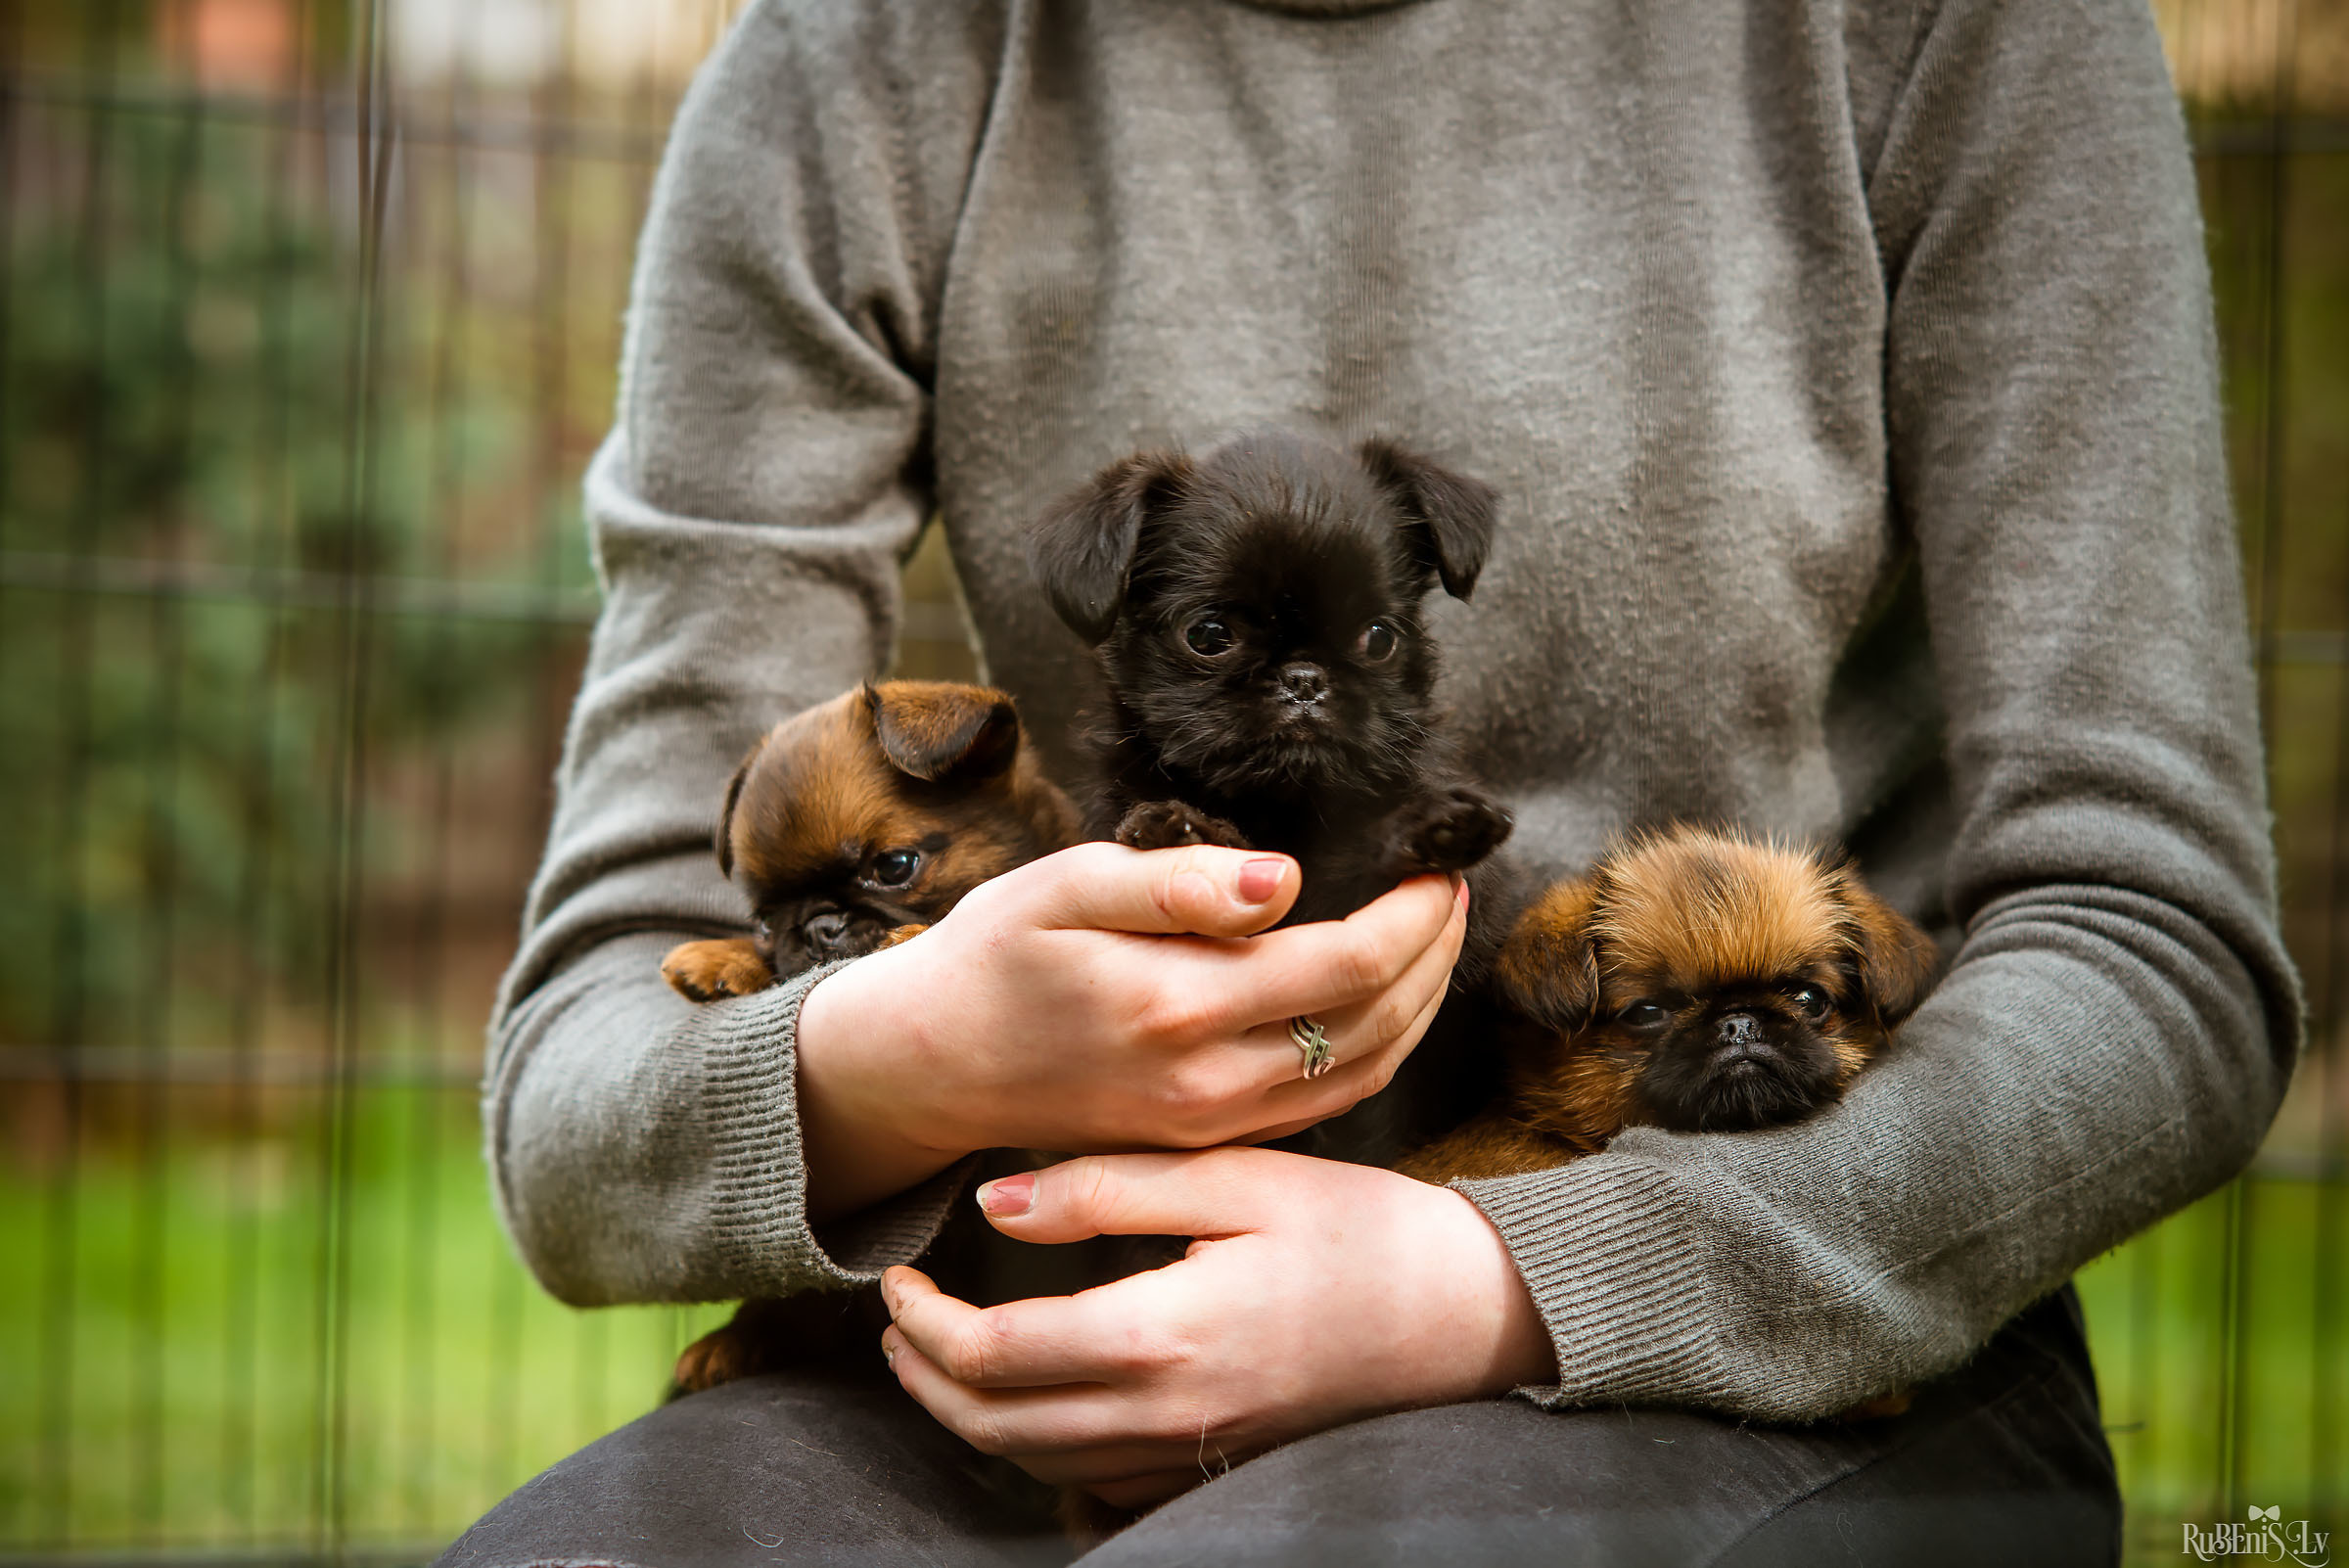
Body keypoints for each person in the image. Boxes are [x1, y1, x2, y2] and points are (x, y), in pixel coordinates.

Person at [438, 0, 2300, 1561]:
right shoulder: (868, 55)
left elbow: (2160, 937)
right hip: (1029, 1306)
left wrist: (1505, 1277)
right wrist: (904, 1055)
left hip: (1808, 1303)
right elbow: (590, 1075)